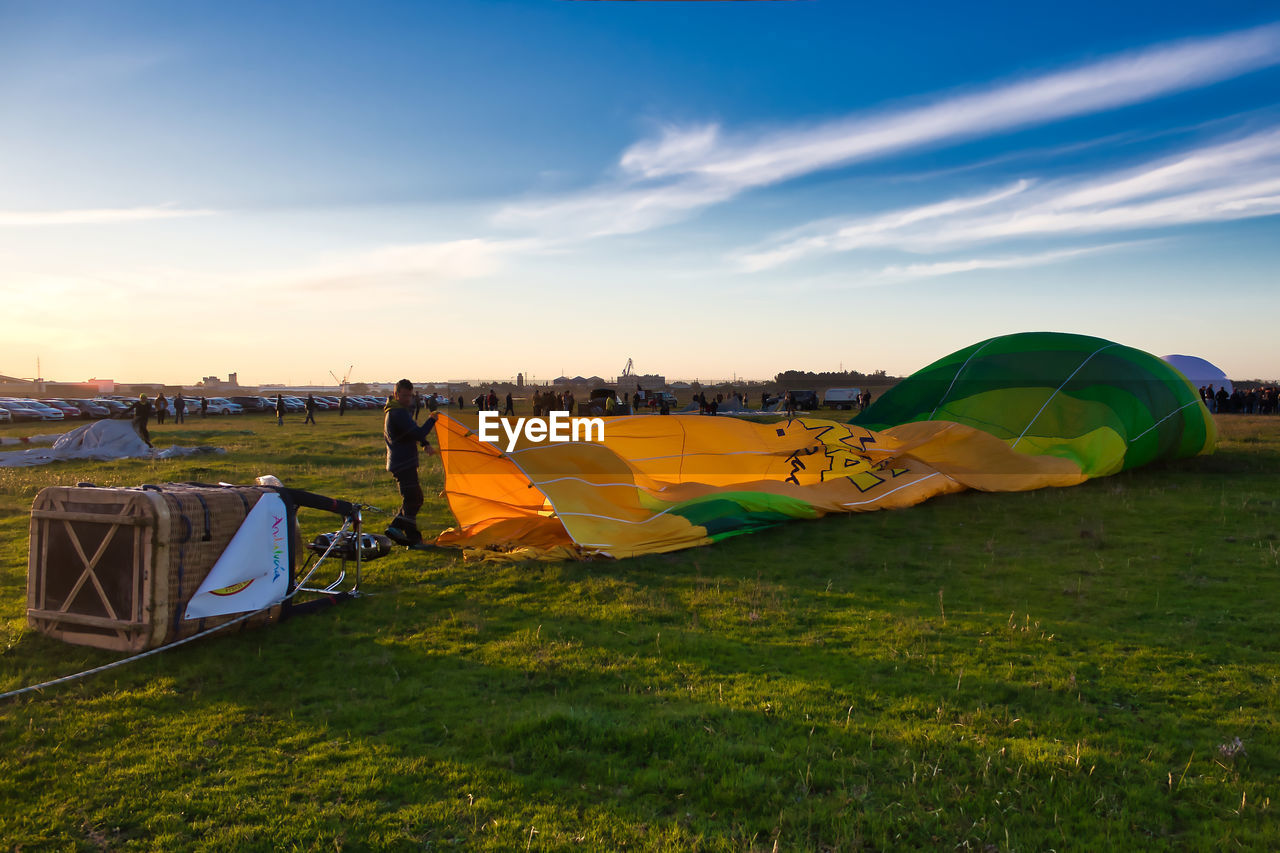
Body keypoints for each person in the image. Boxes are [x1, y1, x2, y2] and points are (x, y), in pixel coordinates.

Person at [383, 379, 438, 547]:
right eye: (404, 395)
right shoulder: (397, 413)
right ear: (396, 394)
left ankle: (395, 528)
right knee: (413, 499)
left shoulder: (399, 410)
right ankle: (413, 539)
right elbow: (418, 431)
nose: (408, 399)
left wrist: (425, 443)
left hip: (403, 462)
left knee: (414, 499)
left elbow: (411, 433)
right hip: (403, 463)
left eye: (410, 395)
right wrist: (432, 419)